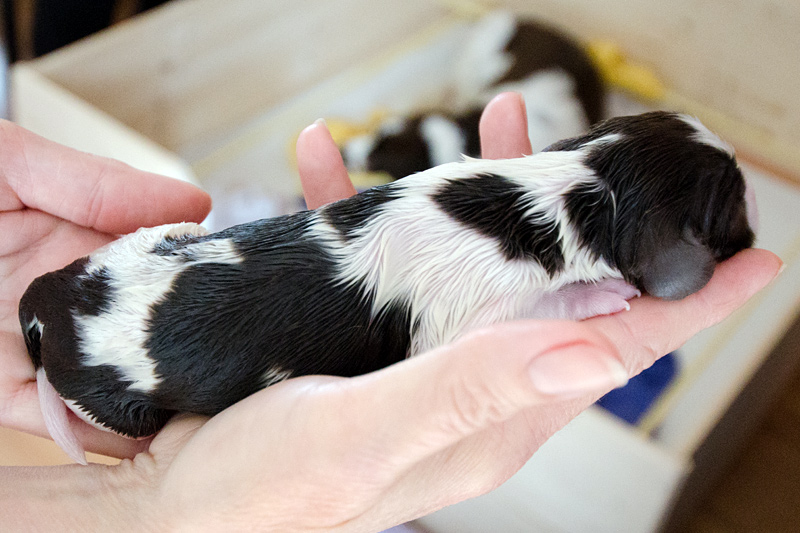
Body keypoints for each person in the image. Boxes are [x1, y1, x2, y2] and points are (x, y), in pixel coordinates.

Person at [0, 93, 782, 531]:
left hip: (107, 284)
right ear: (666, 256)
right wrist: (133, 509)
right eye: (717, 219)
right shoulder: (495, 264)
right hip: (109, 372)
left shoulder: (455, 188)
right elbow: (456, 341)